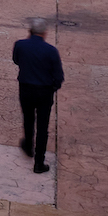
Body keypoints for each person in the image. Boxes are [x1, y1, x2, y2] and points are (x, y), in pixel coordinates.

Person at [13, 18, 64, 174]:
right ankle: (39, 163)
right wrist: (52, 88)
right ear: (44, 33)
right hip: (44, 91)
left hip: (26, 88)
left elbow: (16, 60)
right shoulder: (51, 51)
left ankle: (28, 146)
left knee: (28, 119)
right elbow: (59, 76)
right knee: (43, 127)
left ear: (30, 31)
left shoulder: (20, 45)